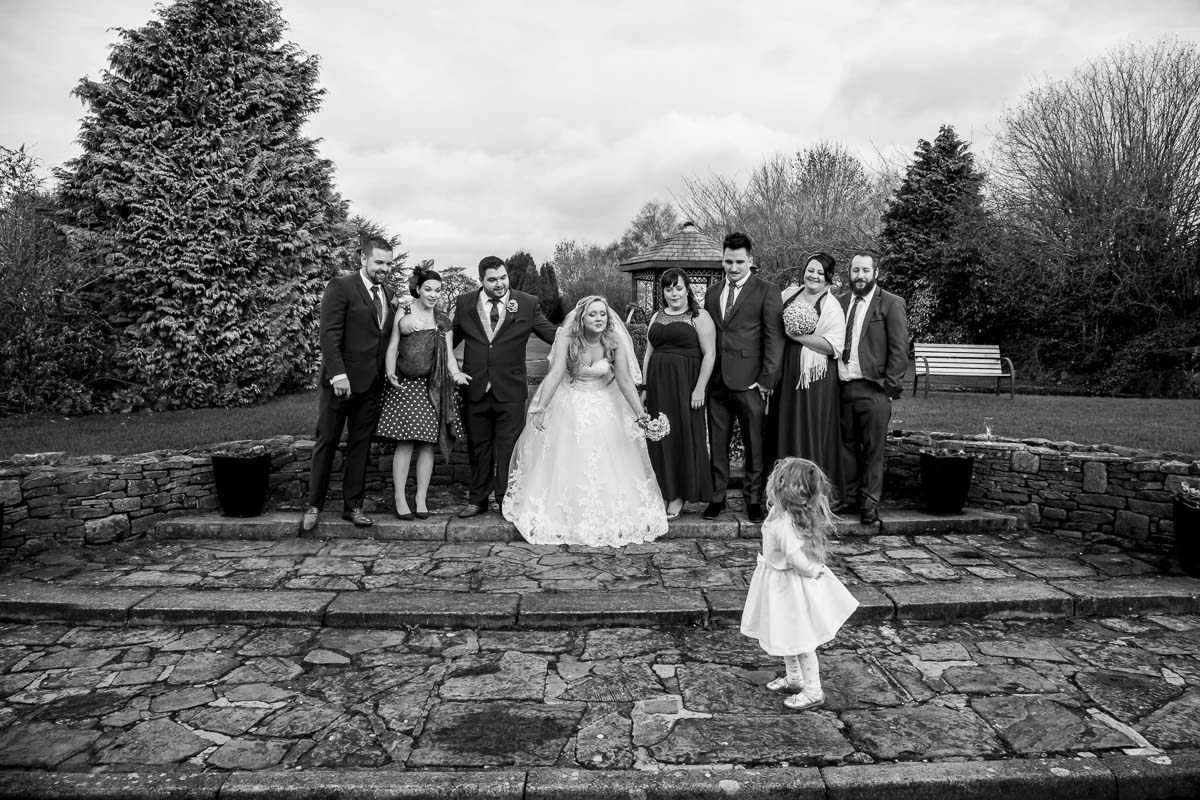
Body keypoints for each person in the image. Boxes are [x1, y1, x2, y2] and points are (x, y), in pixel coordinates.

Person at [503, 295, 669, 546]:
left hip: (605, 404)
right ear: (582, 318)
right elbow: (556, 373)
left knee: (608, 460)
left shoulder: (614, 342)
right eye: (593, 314)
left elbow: (624, 379)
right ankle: (566, 514)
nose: (599, 318)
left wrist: (639, 413)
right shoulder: (568, 340)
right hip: (570, 402)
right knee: (570, 458)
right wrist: (540, 406)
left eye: (602, 314)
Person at [740, 457, 860, 711]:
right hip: (778, 584)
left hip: (788, 589)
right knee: (786, 634)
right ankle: (794, 678)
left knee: (801, 640)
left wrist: (813, 569)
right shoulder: (781, 512)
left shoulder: (784, 524)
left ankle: (813, 690)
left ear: (784, 487)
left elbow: (797, 559)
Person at [452, 256, 558, 517]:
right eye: (492, 280)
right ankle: (477, 499)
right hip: (475, 387)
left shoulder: (527, 303)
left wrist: (590, 339)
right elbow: (447, 339)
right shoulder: (465, 303)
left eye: (503, 278)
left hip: (510, 389)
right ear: (481, 280)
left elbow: (555, 336)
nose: (499, 284)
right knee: (478, 446)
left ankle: (505, 499)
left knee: (509, 448)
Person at [302, 236, 395, 531]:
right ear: (363, 259)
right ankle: (313, 505)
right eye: (379, 262)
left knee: (360, 446)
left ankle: (352, 507)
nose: (384, 268)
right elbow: (328, 335)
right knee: (326, 441)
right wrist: (338, 374)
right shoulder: (341, 287)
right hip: (340, 383)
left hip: (371, 385)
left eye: (388, 263)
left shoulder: (388, 294)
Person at [703, 231, 784, 523]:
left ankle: (753, 500)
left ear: (750, 260)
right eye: (728, 262)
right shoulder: (712, 293)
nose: (733, 267)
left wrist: (766, 379)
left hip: (751, 382)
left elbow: (774, 339)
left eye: (739, 261)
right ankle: (717, 498)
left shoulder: (767, 290)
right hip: (717, 381)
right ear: (722, 260)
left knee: (754, 444)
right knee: (718, 443)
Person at [376, 265, 467, 519]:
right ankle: (399, 497)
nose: (433, 294)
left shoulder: (442, 321)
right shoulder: (404, 311)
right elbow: (394, 344)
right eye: (428, 289)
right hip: (405, 385)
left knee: (427, 444)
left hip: (432, 386)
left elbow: (448, 354)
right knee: (405, 442)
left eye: (438, 290)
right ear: (418, 289)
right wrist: (390, 371)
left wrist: (456, 372)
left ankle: (421, 499)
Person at [837, 250, 909, 525]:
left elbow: (899, 350)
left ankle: (869, 504)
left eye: (866, 270)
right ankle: (849, 497)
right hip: (843, 386)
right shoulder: (840, 302)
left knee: (873, 449)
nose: (860, 276)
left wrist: (889, 388)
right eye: (856, 270)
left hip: (873, 388)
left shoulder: (891, 303)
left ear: (876, 273)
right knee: (846, 447)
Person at [764, 253, 846, 490]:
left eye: (820, 273)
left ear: (828, 277)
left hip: (814, 378)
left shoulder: (831, 306)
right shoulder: (789, 294)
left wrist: (799, 337)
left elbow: (833, 346)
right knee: (784, 423)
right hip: (786, 371)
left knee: (807, 425)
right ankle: (781, 486)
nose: (814, 276)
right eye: (811, 270)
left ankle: (808, 488)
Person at [642, 268, 716, 518]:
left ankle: (679, 495)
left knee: (682, 436)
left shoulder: (699, 316)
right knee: (659, 438)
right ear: (663, 291)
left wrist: (699, 388)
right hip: (657, 385)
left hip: (686, 386)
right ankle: (664, 490)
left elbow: (710, 354)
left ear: (687, 290)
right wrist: (644, 387)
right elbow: (649, 353)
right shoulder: (657, 317)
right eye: (668, 288)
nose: (673, 293)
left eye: (678, 287)